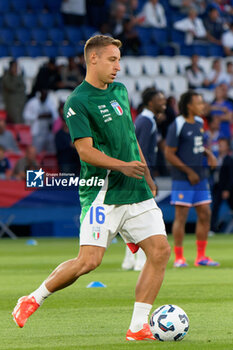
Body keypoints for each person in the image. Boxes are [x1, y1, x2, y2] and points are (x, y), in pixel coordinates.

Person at [12, 35, 171, 341]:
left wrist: (146, 175)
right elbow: (85, 152)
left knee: (160, 252)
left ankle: (138, 326)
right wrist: (124, 166)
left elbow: (129, 137)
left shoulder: (121, 91)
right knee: (89, 261)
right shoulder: (77, 101)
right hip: (101, 192)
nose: (118, 67)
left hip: (134, 189)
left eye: (119, 60)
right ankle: (33, 298)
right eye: (112, 60)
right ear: (93, 59)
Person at [165, 91, 219, 267]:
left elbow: (196, 145)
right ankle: (179, 258)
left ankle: (201, 257)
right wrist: (189, 172)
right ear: (189, 105)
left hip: (200, 178)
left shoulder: (199, 123)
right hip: (183, 178)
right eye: (199, 103)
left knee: (205, 213)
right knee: (181, 216)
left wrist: (208, 153)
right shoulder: (178, 124)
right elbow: (169, 154)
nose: (203, 106)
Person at [121, 88, 166, 272]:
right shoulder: (146, 122)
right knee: (145, 218)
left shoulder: (144, 120)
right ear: (150, 103)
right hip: (140, 174)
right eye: (160, 99)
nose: (163, 102)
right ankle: (140, 261)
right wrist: (147, 177)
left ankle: (129, 261)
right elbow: (140, 151)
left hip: (136, 172)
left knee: (130, 217)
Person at [210, 137, 233, 233]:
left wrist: (227, 189)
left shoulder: (229, 160)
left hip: (227, 188)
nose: (220, 147)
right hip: (217, 188)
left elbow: (231, 176)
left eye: (222, 145)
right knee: (215, 208)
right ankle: (212, 229)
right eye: (219, 145)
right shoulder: (215, 158)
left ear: (227, 147)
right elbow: (213, 173)